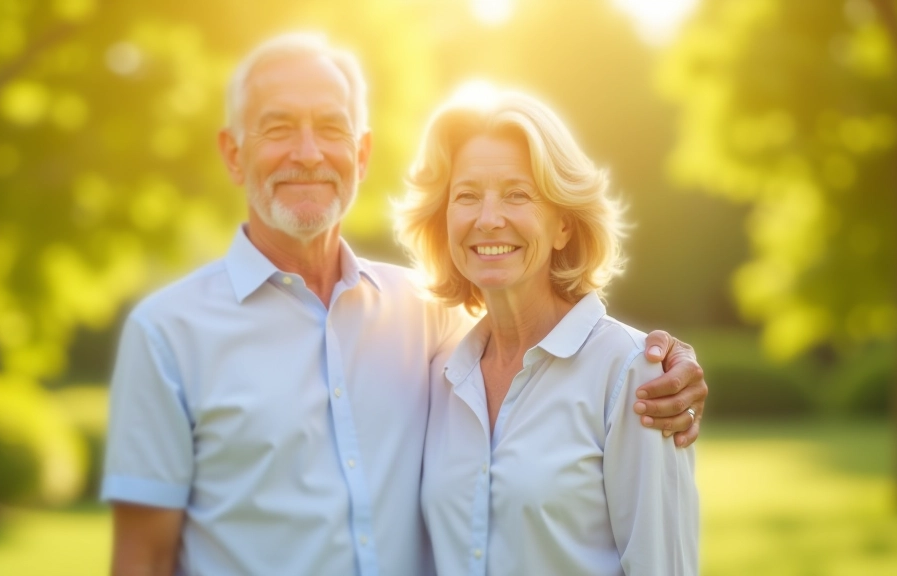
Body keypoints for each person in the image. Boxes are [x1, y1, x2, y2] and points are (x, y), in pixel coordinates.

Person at [101, 33, 706, 576]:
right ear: (233, 153)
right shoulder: (169, 333)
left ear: (361, 155)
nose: (309, 153)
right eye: (279, 127)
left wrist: (662, 367)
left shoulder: (431, 323)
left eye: (332, 128)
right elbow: (144, 557)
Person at [396, 88, 698, 575]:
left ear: (563, 227)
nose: (488, 219)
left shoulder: (630, 373)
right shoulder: (440, 375)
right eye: (467, 195)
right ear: (444, 220)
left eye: (517, 194)